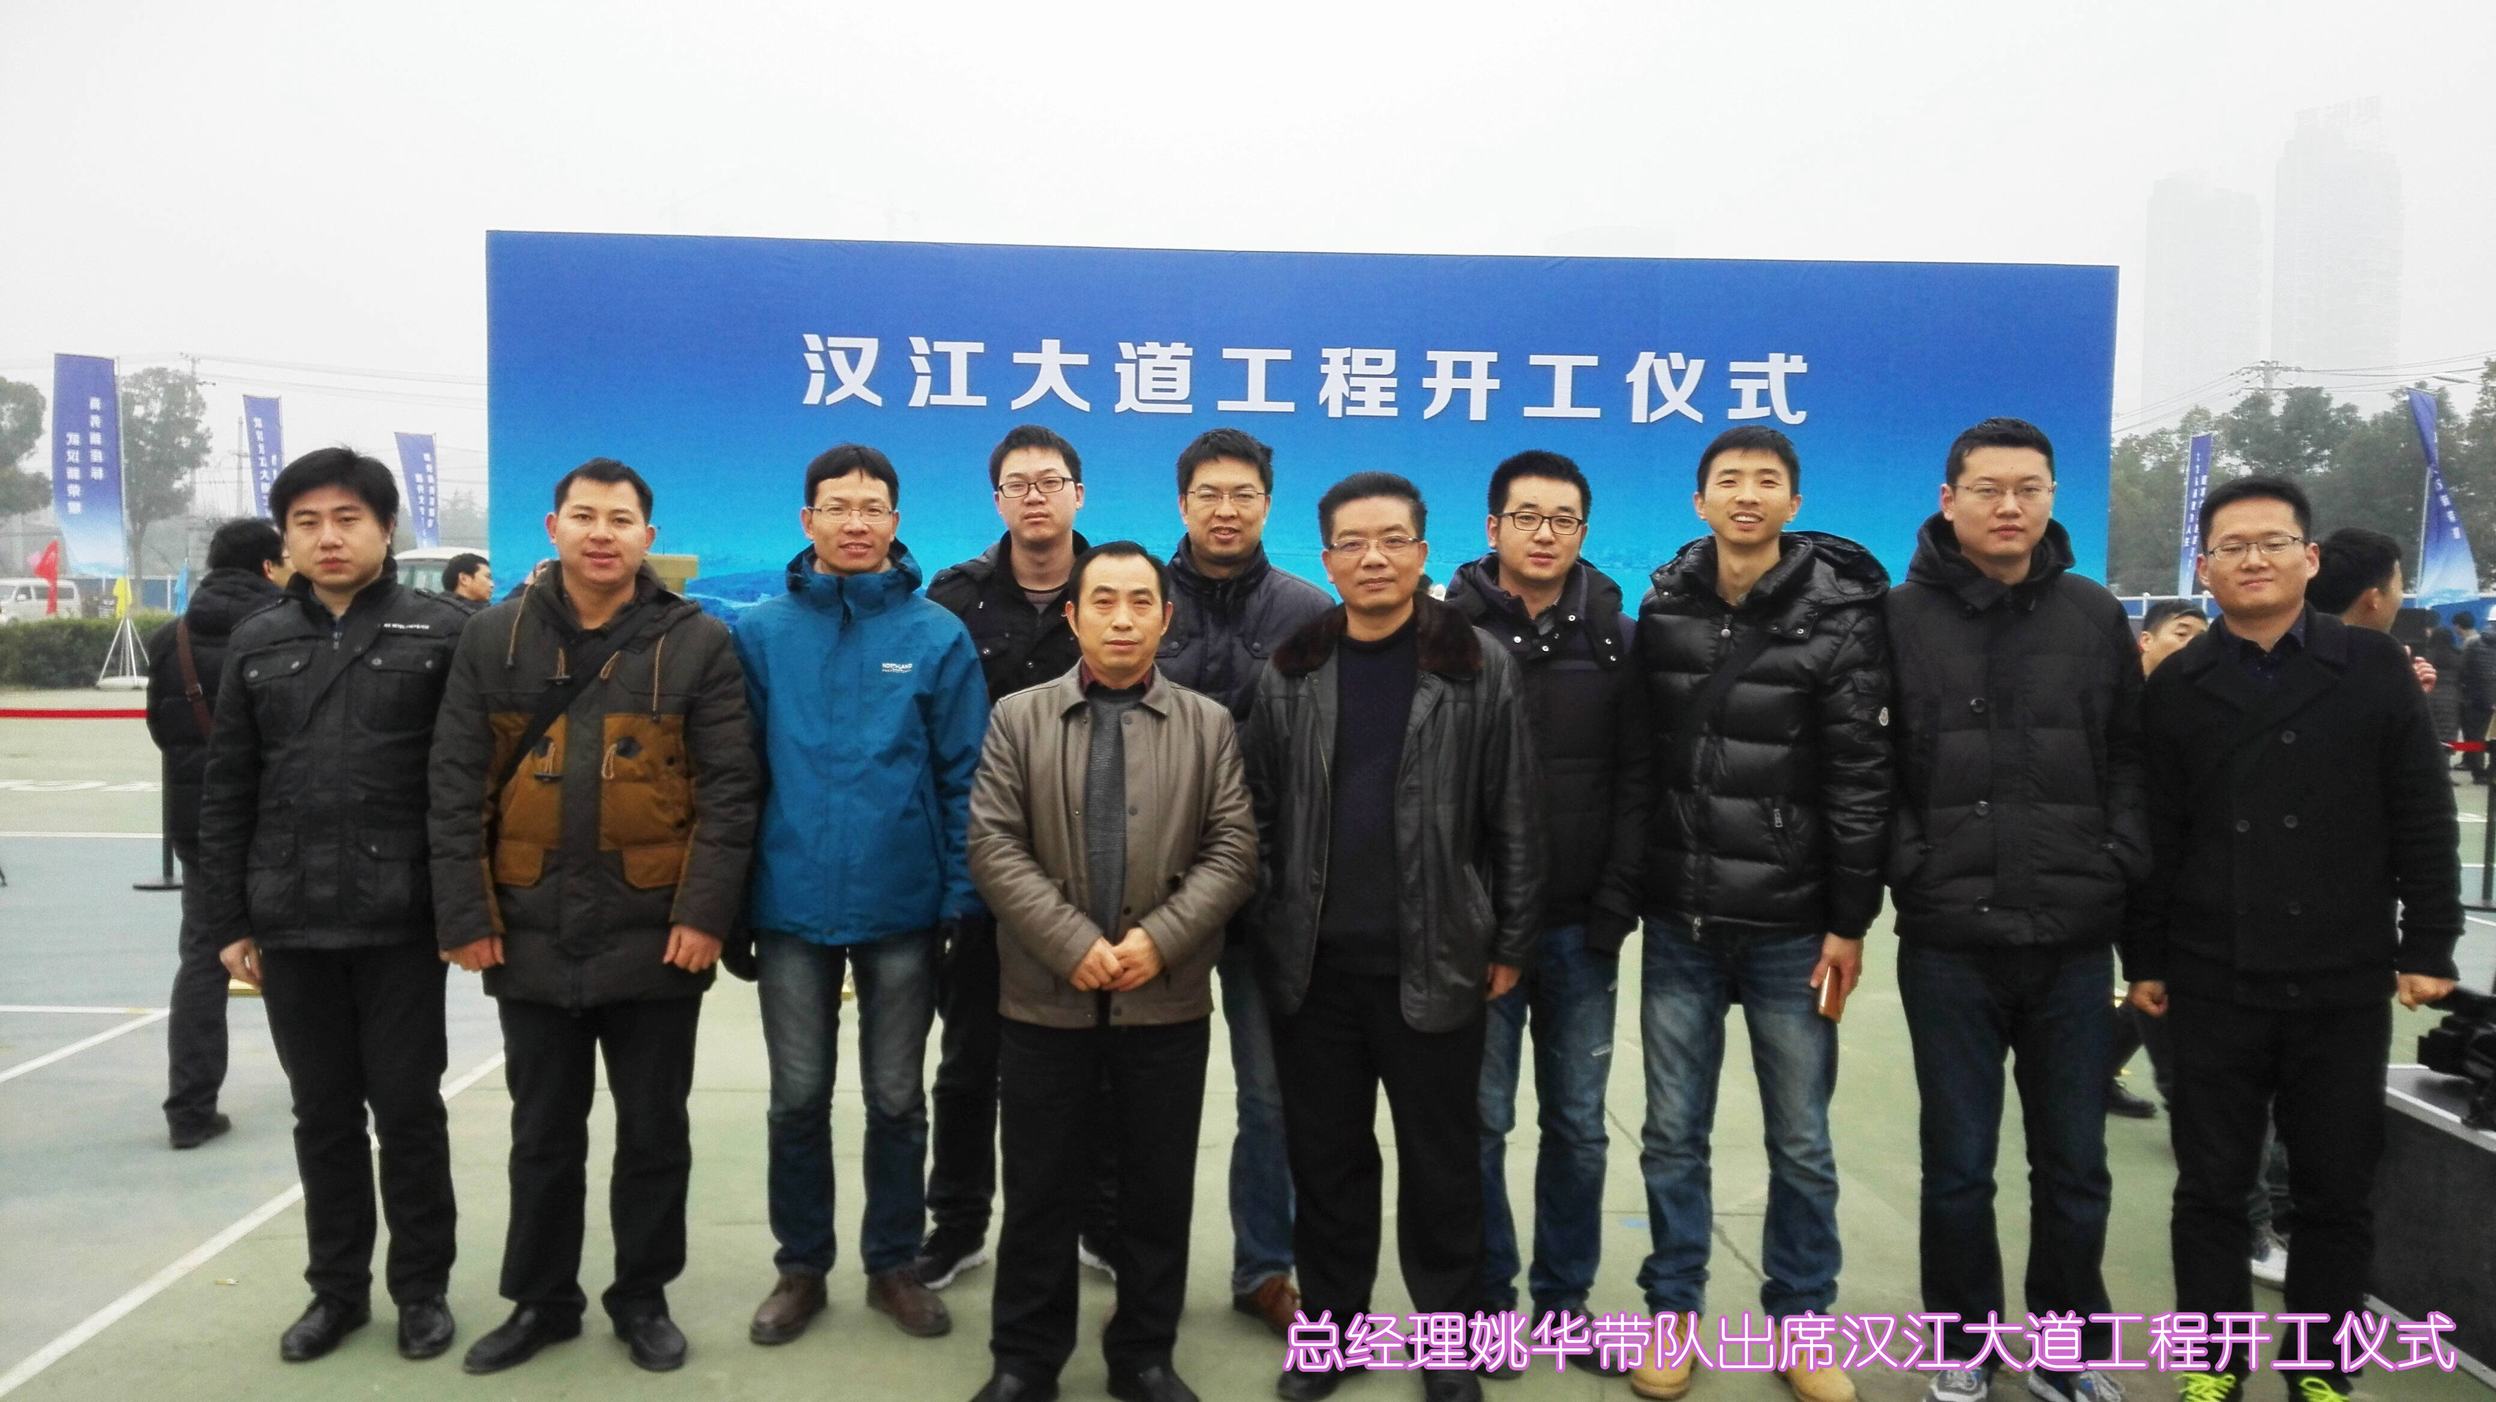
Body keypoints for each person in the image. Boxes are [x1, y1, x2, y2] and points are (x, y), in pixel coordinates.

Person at [2126, 475, 2460, 1402]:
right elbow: (2157, 837)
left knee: (2334, 1190)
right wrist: (2143, 960)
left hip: (2342, 972)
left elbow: (2422, 814)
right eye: (2232, 547)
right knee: (2210, 1188)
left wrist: (2429, 944)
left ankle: (2321, 1368)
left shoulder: (2373, 666)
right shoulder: (2178, 686)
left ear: (2309, 559)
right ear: (2205, 569)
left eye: (2273, 542)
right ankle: (2213, 1364)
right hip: (2212, 972)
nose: (2254, 560)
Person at [429, 459, 760, 1374]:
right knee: (542, 1136)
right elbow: (454, 785)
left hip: (657, 931)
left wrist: (705, 915)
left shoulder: (697, 643)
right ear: (554, 528)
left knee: (654, 1133)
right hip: (528, 925)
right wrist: (466, 913)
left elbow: (730, 794)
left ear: (648, 537)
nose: (602, 534)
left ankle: (642, 1297)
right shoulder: (493, 639)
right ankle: (541, 1301)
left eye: (620, 519)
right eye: (585, 516)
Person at [1244, 472, 1542, 1402]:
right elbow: (1255, 815)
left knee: (1442, 1168)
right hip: (1315, 971)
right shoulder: (1290, 668)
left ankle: (1448, 1343)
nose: (1373, 558)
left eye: (1392, 540)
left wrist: (1510, 941)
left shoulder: (1477, 665)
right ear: (1326, 559)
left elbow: (1516, 813)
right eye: (1352, 543)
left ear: (1422, 550)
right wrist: (1270, 923)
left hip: (1439, 959)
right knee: (1328, 1165)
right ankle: (1333, 1336)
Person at [1622, 427, 1889, 1402]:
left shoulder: (1841, 619)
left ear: (1792, 501)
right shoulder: (1663, 611)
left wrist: (1849, 921)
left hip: (1793, 930)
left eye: (1765, 480)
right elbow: (1638, 762)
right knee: (1670, 1135)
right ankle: (1672, 1314)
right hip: (1681, 926)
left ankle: (1803, 1324)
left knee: (1802, 1143)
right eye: (1728, 480)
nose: (1746, 494)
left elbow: (1861, 776)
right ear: (1700, 502)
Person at [1884, 418, 2144, 1402]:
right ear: (1948, 499)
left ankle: (2068, 1351)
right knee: (1957, 1165)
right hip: (1949, 939)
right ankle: (1964, 1342)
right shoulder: (1898, 617)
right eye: (1988, 488)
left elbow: (2131, 757)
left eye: (2028, 488)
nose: (2009, 506)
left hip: (2073, 941)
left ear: (2050, 498)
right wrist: (1911, 863)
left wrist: (2115, 860)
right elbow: (1872, 762)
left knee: (2075, 1164)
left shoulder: (2092, 613)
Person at [965, 540, 1259, 1402]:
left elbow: (1234, 849)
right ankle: (1025, 1359)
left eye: (1140, 603)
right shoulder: (1018, 718)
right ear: (1073, 617)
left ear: (1166, 620)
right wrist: (1070, 943)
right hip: (1043, 999)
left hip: (1162, 999)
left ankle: (1144, 1355)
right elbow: (993, 844)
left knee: (1155, 1190)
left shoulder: (1208, 725)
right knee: (1039, 1188)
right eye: (1103, 602)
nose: (1121, 619)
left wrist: (1161, 940)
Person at [192, 447, 467, 1364]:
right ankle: (336, 1292)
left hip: (402, 918)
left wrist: (464, 910)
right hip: (290, 917)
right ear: (287, 540)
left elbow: (465, 785)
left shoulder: (444, 633)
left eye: (348, 518)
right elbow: (229, 787)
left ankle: (421, 1291)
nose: (329, 537)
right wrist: (228, 922)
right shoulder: (259, 641)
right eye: (306, 523)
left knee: (409, 1110)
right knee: (322, 1115)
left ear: (387, 529)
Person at [736, 444, 989, 1344]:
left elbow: (966, 779)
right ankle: (801, 1268)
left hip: (902, 905)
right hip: (789, 902)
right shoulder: (759, 633)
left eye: (872, 507)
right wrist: (732, 906)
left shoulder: (935, 635)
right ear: (808, 521)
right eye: (837, 507)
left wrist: (960, 898)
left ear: (895, 521)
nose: (855, 522)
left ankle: (892, 1264)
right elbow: (735, 778)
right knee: (797, 1099)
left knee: (896, 1099)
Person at [1442, 450, 1650, 1376]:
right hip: (1476, 934)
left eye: (1563, 519)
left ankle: (1564, 1306)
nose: (1544, 534)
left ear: (1583, 532)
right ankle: (1488, 1305)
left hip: (1579, 931)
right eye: (1526, 517)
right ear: (1492, 528)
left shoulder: (1618, 638)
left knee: (1577, 1126)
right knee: (1480, 1125)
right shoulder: (1441, 636)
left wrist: (1615, 906)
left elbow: (1637, 780)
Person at [1156, 427, 1332, 1334]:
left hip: (1273, 899)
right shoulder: (1138, 598)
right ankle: (1134, 1266)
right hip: (1154, 898)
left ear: (1267, 504)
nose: (1226, 511)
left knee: (1272, 1096)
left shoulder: (1310, 612)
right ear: (1182, 502)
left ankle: (1265, 1268)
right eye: (1208, 494)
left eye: (1244, 495)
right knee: (1141, 1096)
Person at [922, 424, 1095, 1293]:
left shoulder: (1114, 587)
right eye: (1018, 483)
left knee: (1098, 1061)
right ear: (998, 500)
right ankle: (957, 1224)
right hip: (980, 867)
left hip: (1092, 867)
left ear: (1077, 495)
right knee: (967, 1061)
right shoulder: (954, 599)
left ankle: (1099, 1220)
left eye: (1050, 481)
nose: (1035, 496)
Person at [145, 517, 287, 1149]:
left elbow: (162, 729)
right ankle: (321, 1090)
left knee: (203, 960)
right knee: (293, 958)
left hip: (198, 824)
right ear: (268, 567)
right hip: (275, 820)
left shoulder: (169, 637)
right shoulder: (282, 629)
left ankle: (190, 1110)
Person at [2104, 599, 2210, 1122]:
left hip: (2181, 871)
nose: (2194, 645)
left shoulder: (2204, 706)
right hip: (2122, 869)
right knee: (2158, 980)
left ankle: (2093, 1069)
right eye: (2182, 633)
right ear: (2145, 641)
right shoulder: (2114, 704)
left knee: (2158, 980)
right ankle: (2189, 1109)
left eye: (2203, 636)